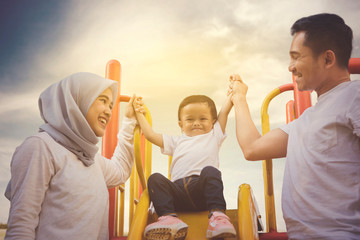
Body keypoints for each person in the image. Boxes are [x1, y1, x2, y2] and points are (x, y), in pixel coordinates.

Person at [229, 13, 359, 239]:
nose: (290, 67)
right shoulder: (305, 120)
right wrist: (239, 98)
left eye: (297, 57)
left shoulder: (354, 96)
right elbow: (252, 148)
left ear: (327, 59)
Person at [4, 72, 137, 240]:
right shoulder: (40, 147)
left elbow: (121, 171)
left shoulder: (91, 159)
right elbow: (21, 227)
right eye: (102, 100)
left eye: (111, 106)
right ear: (77, 100)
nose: (109, 111)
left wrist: (129, 122)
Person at [132, 94, 236, 239]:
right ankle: (169, 218)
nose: (196, 123)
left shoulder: (214, 135)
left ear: (213, 121)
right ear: (181, 124)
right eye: (190, 119)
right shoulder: (176, 141)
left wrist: (232, 93)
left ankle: (218, 217)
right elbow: (150, 135)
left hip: (202, 191)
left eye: (203, 119)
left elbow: (224, 112)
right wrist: (139, 113)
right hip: (178, 193)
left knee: (210, 171)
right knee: (155, 178)